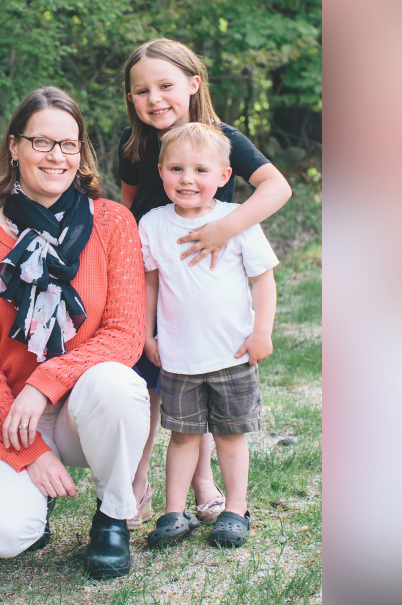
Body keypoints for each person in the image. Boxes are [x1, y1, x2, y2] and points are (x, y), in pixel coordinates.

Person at [0, 86, 149, 579]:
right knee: (0, 536)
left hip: (85, 407)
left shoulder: (113, 223)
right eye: (42, 142)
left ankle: (111, 517)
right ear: (14, 147)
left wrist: (46, 384)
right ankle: (33, 506)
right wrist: (32, 453)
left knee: (117, 384)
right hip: (11, 414)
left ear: (81, 152)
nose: (56, 156)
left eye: (68, 144)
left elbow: (126, 333)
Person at [118, 38, 292, 527]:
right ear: (131, 99)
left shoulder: (224, 137)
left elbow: (278, 186)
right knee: (153, 383)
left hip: (210, 271)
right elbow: (129, 207)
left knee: (206, 373)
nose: (154, 98)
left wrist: (227, 228)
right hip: (157, 267)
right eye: (141, 90)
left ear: (193, 84)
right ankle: (137, 481)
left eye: (166, 85)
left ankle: (203, 482)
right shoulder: (134, 147)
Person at [139, 123, 279, 548]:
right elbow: (149, 284)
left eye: (200, 170)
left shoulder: (233, 221)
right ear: (161, 171)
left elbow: (264, 279)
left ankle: (235, 508)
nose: (187, 179)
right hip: (179, 356)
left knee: (230, 436)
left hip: (232, 353)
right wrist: (148, 335)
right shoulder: (153, 224)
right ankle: (173, 512)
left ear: (223, 175)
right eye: (176, 168)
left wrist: (262, 332)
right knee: (182, 436)